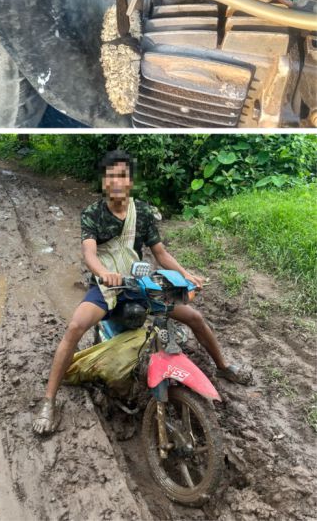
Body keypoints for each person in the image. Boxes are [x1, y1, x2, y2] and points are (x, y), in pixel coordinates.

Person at [32, 149, 252, 435]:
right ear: (104, 182)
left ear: (130, 181)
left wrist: (186, 274)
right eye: (110, 177)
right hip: (110, 287)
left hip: (139, 285)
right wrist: (103, 274)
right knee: (75, 326)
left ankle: (223, 365)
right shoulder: (93, 214)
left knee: (194, 317)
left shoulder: (143, 212)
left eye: (122, 176)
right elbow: (89, 254)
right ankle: (49, 400)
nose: (116, 182)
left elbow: (160, 252)